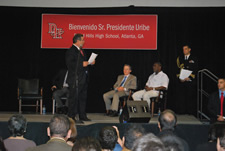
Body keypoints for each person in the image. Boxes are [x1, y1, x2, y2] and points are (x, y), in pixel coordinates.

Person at [65, 33, 95, 123]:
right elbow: (70, 64)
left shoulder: (82, 51)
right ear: (77, 41)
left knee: (83, 98)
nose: (84, 41)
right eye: (82, 40)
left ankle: (82, 115)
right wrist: (82, 64)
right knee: (73, 98)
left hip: (83, 78)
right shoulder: (71, 51)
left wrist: (90, 62)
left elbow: (84, 63)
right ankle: (71, 116)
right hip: (75, 79)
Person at [176, 44, 198, 115]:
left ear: (189, 49)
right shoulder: (180, 58)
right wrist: (180, 77)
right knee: (181, 97)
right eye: (183, 49)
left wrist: (190, 77)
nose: (184, 51)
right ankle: (182, 111)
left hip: (190, 80)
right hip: (182, 81)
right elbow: (177, 69)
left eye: (185, 49)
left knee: (190, 97)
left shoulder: (194, 58)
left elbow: (196, 69)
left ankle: (190, 112)